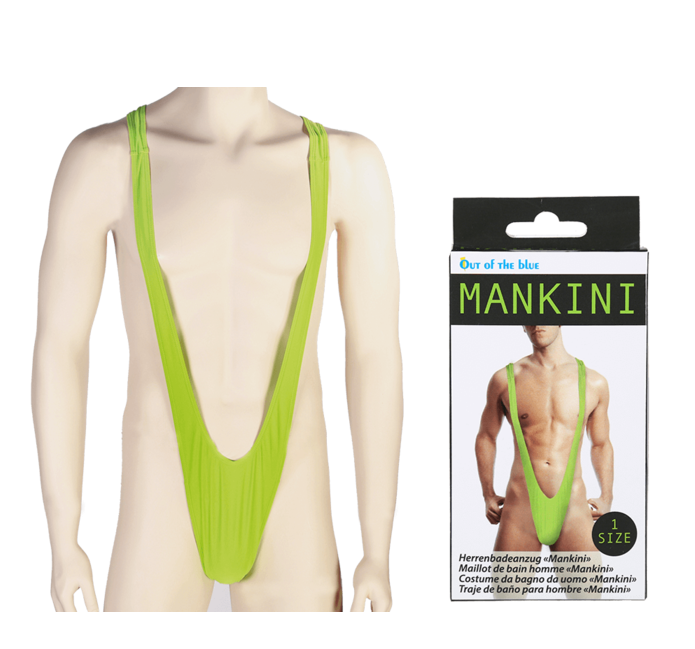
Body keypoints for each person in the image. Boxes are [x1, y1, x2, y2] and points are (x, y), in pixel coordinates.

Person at [32, 88, 402, 612]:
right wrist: (63, 538)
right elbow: (60, 347)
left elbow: (374, 354)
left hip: (292, 491)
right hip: (162, 485)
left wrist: (377, 550)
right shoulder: (105, 161)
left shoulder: (347, 166)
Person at [475, 325, 613, 598]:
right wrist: (487, 493)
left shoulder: (593, 382)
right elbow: (486, 437)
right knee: (506, 601)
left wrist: (607, 496)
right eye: (531, 316)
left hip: (573, 509)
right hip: (520, 508)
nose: (538, 323)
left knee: (588, 603)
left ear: (561, 320)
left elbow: (601, 443)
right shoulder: (505, 379)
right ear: (522, 324)